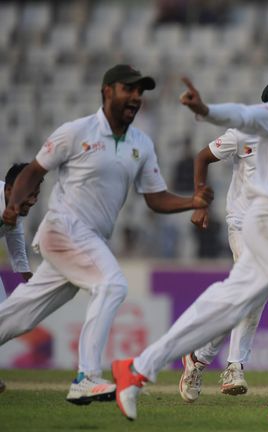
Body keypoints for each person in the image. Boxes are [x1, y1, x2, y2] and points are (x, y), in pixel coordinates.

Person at [111, 52, 268, 424]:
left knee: (228, 304)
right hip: (267, 219)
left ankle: (137, 368)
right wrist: (206, 110)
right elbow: (242, 117)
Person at [0, 64, 214, 405]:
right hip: (64, 227)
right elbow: (34, 170)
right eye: (128, 90)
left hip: (88, 239)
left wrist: (192, 201)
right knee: (112, 284)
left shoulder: (141, 144)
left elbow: (155, 198)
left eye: (139, 92)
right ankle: (87, 376)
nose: (135, 98)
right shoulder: (76, 131)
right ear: (107, 91)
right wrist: (12, 204)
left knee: (23, 313)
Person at [178, 77, 268, 402]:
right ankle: (234, 366)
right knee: (253, 290)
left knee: (248, 295)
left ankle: (199, 356)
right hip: (242, 224)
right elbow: (202, 157)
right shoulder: (243, 130)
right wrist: (200, 202)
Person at [1, 163, 42, 302]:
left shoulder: (14, 207)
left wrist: (27, 275)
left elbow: (15, 239)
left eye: (36, 195)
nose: (33, 201)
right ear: (8, 190)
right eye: (29, 194)